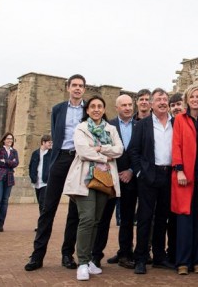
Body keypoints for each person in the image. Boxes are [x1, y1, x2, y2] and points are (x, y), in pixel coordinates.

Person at [25, 74, 86, 271]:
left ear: (84, 89)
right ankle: (37, 255)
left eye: (81, 86)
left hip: (79, 160)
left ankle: (67, 254)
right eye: (74, 85)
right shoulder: (58, 109)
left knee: (75, 211)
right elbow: (56, 133)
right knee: (48, 209)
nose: (77, 88)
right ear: (68, 87)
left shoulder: (88, 110)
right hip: (60, 159)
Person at [63, 95, 124, 281]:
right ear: (87, 110)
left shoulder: (111, 129)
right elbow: (82, 151)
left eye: (100, 106)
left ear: (104, 110)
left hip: (104, 180)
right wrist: (105, 155)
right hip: (85, 179)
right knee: (87, 219)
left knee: (97, 221)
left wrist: (97, 149)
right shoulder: (81, 128)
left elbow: (119, 150)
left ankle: (89, 259)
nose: (96, 109)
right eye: (93, 107)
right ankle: (82, 262)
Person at [130, 88, 176, 274]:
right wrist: (140, 172)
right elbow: (133, 151)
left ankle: (159, 257)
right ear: (151, 103)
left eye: (165, 99)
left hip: (168, 175)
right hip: (149, 175)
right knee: (145, 218)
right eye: (158, 99)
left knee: (163, 218)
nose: (163, 102)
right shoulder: (143, 125)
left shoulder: (175, 123)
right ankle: (140, 257)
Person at [171, 84, 198, 275]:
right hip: (184, 175)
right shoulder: (180, 118)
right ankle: (182, 261)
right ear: (187, 99)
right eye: (192, 96)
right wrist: (179, 169)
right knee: (184, 219)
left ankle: (197, 260)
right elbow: (176, 144)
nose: (195, 99)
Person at [98, 94, 138, 269]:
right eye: (124, 105)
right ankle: (96, 255)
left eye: (130, 104)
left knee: (128, 219)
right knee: (104, 218)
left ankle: (125, 253)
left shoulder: (140, 126)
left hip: (130, 178)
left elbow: (142, 151)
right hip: (111, 178)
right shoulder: (108, 126)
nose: (128, 108)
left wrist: (131, 171)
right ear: (117, 108)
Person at [0, 132, 19, 232]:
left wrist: (5, 161)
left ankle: (0, 224)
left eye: (11, 139)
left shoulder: (14, 151)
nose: (10, 140)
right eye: (8, 139)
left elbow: (16, 163)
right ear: (4, 140)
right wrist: (10, 162)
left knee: (5, 201)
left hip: (9, 178)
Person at [29, 135, 52, 216]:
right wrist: (32, 177)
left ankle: (41, 225)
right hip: (37, 182)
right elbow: (31, 166)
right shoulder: (35, 153)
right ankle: (42, 223)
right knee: (40, 203)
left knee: (43, 203)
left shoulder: (51, 154)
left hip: (46, 182)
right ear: (43, 142)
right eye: (49, 142)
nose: (50, 144)